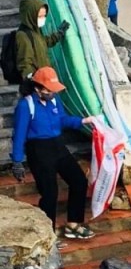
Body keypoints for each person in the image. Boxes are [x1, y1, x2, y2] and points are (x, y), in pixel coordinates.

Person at [10, 67, 99, 237]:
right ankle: (48, 234)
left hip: (58, 145)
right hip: (39, 150)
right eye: (49, 90)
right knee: (50, 193)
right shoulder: (26, 105)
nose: (52, 93)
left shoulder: (54, 100)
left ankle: (73, 224)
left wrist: (83, 121)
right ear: (38, 88)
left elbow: (62, 120)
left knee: (79, 181)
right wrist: (17, 161)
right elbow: (19, 134)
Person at [14, 0, 69, 81]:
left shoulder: (36, 30)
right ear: (30, 15)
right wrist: (32, 80)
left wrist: (58, 34)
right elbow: (24, 61)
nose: (43, 19)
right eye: (39, 16)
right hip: (39, 83)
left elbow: (44, 42)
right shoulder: (23, 35)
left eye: (44, 16)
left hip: (46, 78)